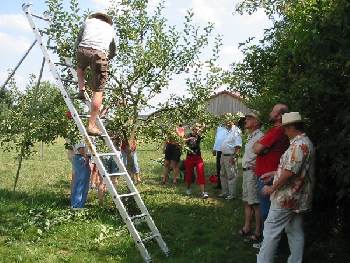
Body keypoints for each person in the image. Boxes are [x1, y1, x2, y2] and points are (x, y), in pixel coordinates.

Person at [257, 112, 315, 263]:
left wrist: (272, 187)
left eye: (285, 128)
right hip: (297, 197)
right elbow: (295, 170)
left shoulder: (298, 145)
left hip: (286, 196)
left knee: (270, 230)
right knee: (294, 230)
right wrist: (273, 173)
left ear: (292, 127)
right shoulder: (305, 142)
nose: (284, 131)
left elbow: (289, 172)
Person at [75, 12, 116, 136]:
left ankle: (81, 90)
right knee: (98, 90)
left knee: (81, 68)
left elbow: (78, 39)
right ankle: (91, 125)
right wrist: (109, 57)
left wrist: (76, 52)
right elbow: (113, 48)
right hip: (99, 53)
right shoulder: (110, 29)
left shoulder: (88, 22)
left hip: (82, 49)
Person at [253, 104, 290, 222]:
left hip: (268, 176)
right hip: (269, 174)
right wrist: (260, 146)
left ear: (279, 116)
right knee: (269, 211)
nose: (270, 113)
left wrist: (260, 145)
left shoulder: (278, 130)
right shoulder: (275, 130)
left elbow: (256, 149)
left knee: (267, 213)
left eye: (272, 111)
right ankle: (268, 239)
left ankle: (267, 240)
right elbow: (257, 147)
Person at [239, 112, 264, 242]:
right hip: (246, 171)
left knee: (255, 203)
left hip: (253, 173)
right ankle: (247, 227)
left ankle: (258, 231)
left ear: (256, 122)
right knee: (247, 200)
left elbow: (263, 154)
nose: (246, 120)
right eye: (246, 118)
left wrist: (258, 167)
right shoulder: (250, 136)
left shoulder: (260, 136)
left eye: (249, 118)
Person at [217, 113, 242, 200]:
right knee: (222, 174)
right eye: (225, 120)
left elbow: (238, 145)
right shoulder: (226, 130)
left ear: (233, 120)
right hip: (223, 155)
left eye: (228, 120)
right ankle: (225, 192)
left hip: (230, 156)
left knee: (231, 175)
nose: (226, 121)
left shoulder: (236, 131)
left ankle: (232, 194)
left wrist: (234, 157)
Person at [184, 124, 208, 199]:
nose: (196, 131)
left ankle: (203, 192)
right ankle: (188, 188)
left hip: (198, 157)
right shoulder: (188, 135)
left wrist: (203, 126)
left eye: (197, 129)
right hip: (189, 157)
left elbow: (203, 130)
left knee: (200, 173)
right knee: (189, 174)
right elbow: (182, 141)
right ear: (192, 129)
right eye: (194, 129)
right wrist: (188, 139)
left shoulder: (199, 135)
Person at [71, 142, 91, 208]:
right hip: (81, 158)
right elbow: (80, 148)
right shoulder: (80, 134)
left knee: (80, 182)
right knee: (81, 183)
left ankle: (78, 205)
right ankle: (77, 206)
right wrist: (86, 157)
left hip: (81, 157)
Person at [212, 119, 227, 189]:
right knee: (218, 167)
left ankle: (226, 185)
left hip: (226, 150)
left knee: (225, 168)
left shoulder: (230, 129)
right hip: (219, 150)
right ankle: (219, 184)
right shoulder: (219, 127)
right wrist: (214, 148)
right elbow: (217, 139)